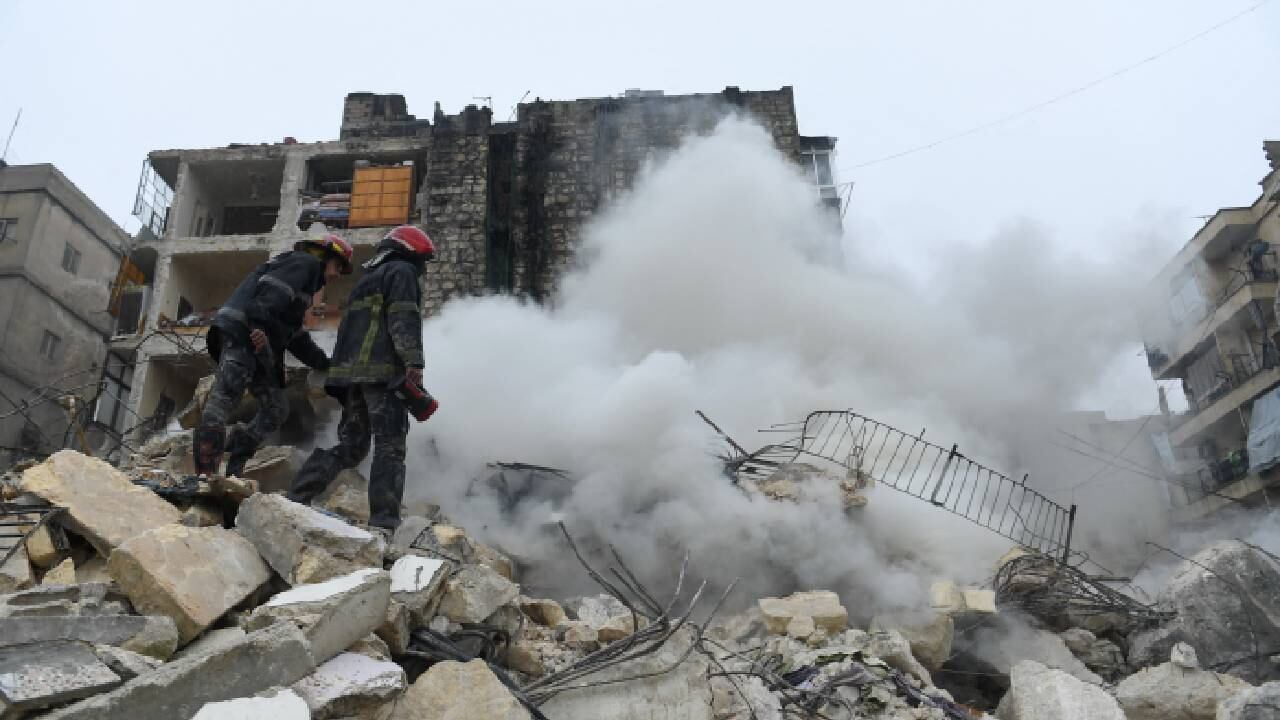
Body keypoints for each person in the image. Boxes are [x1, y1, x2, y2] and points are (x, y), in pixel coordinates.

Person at [287, 225, 434, 533]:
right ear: (412, 252)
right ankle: (384, 523)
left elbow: (348, 333)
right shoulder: (402, 271)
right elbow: (403, 317)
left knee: (351, 445)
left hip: (350, 378)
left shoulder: (364, 282)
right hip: (382, 377)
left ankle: (297, 495)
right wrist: (414, 362)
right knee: (390, 446)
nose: (421, 268)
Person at [192, 234, 354, 477]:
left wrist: (324, 363)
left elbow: (294, 336)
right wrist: (256, 326)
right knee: (225, 396)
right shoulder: (305, 263)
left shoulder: (305, 286)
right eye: (338, 266)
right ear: (326, 256)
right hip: (244, 333)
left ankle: (235, 460)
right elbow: (271, 292)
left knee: (276, 408)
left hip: (259, 344)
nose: (337, 275)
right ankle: (205, 476)